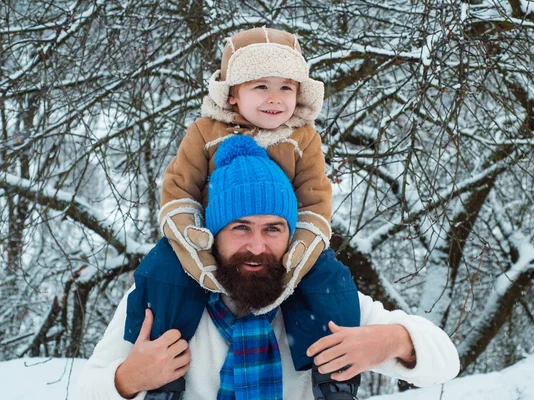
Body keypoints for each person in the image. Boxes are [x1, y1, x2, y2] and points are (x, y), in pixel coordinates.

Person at [76, 137, 461, 400]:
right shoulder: (163, 298)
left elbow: (445, 362)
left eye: (273, 229)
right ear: (213, 234)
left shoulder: (321, 298)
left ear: (291, 235)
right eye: (240, 228)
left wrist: (390, 341)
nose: (257, 246)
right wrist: (126, 380)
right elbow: (83, 391)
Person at [124, 26, 362, 397]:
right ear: (233, 95)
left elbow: (315, 200)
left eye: (286, 87)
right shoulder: (206, 131)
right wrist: (191, 237)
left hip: (288, 245)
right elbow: (178, 189)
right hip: (207, 242)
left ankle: (334, 375)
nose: (275, 98)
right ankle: (162, 374)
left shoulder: (304, 137)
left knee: (329, 279)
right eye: (260, 86)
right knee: (163, 275)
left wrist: (301, 246)